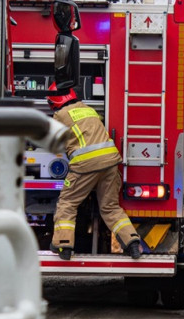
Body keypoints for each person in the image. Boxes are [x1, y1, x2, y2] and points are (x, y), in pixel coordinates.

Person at [48, 86, 142, 260]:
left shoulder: (60, 116)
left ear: (53, 102)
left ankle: (63, 246)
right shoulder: (88, 110)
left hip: (85, 165)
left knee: (67, 204)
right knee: (110, 207)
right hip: (111, 162)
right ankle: (132, 243)